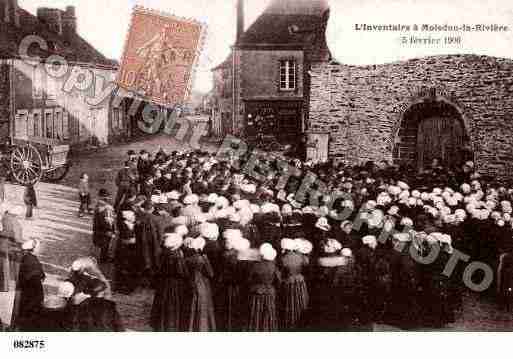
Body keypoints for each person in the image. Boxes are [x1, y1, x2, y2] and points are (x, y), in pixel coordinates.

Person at [151, 233, 189, 331]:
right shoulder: (176, 256)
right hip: (174, 284)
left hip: (163, 283)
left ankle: (161, 324)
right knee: (172, 304)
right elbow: (181, 272)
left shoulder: (164, 253)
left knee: (163, 303)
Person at [184, 237, 216, 332]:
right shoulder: (202, 259)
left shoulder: (187, 259)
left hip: (191, 284)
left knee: (192, 307)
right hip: (202, 285)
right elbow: (211, 273)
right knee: (203, 308)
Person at [246, 243, 281, 331]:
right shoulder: (273, 266)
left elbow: (249, 279)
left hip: (256, 292)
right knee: (269, 313)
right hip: (269, 292)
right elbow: (279, 281)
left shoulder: (255, 266)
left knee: (256, 313)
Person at [13, 239, 45, 331]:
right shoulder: (32, 261)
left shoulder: (27, 258)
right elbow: (36, 277)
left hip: (26, 292)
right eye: (39, 247)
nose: (40, 249)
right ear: (33, 249)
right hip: (32, 294)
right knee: (30, 315)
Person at [278, 238, 310, 331]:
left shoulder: (283, 259)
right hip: (300, 281)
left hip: (289, 282)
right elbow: (306, 263)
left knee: (290, 302)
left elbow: (281, 273)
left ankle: (290, 322)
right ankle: (301, 320)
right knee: (300, 301)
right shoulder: (300, 256)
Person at [113, 210, 139, 294]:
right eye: (133, 216)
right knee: (122, 268)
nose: (134, 218)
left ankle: (126, 286)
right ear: (128, 218)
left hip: (130, 250)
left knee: (128, 269)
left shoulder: (134, 225)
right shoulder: (124, 225)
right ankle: (119, 286)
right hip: (124, 250)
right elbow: (123, 238)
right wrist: (132, 240)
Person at [92, 189, 116, 263]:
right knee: (105, 244)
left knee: (100, 243)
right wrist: (110, 230)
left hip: (98, 228)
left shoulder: (97, 205)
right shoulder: (107, 208)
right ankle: (103, 258)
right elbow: (108, 221)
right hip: (105, 229)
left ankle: (100, 257)